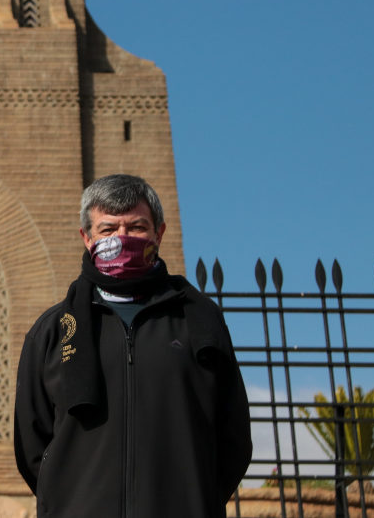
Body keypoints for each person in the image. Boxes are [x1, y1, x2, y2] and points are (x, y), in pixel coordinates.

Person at [13, 174, 252, 517]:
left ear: (159, 233)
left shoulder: (199, 320)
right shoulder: (54, 330)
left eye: (137, 227)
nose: (122, 238)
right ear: (87, 237)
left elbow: (233, 435)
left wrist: (195, 500)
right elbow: (32, 445)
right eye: (108, 230)